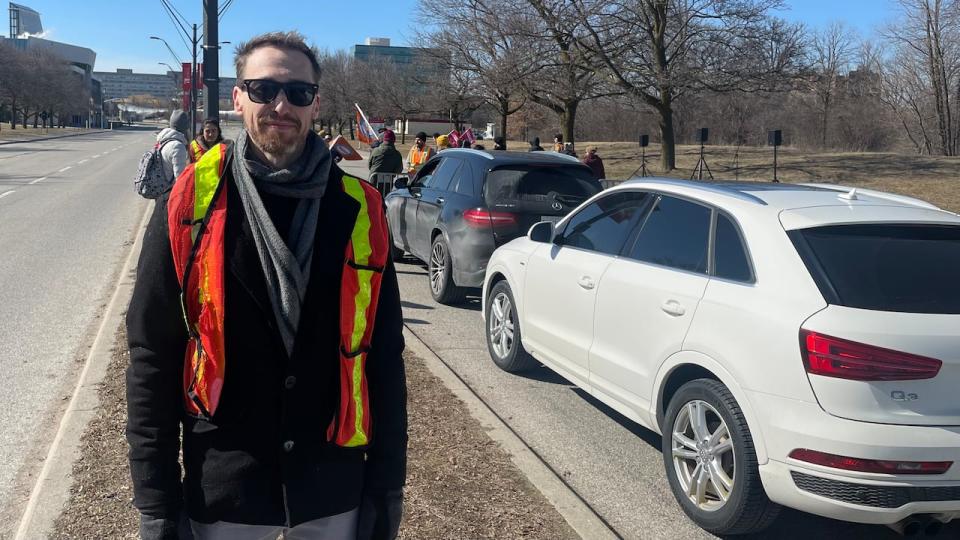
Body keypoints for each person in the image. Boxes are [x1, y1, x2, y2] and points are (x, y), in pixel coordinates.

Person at [126, 31, 408, 540]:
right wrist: (157, 504)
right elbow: (152, 355)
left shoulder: (361, 208)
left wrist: (387, 486)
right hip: (228, 486)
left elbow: (384, 357)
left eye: (299, 93)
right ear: (237, 98)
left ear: (316, 104)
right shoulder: (188, 204)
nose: (281, 104)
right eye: (263, 89)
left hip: (332, 484)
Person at [156, 110, 190, 182]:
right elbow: (180, 179)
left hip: (160, 188)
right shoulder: (177, 147)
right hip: (168, 191)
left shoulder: (163, 141)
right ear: (186, 128)